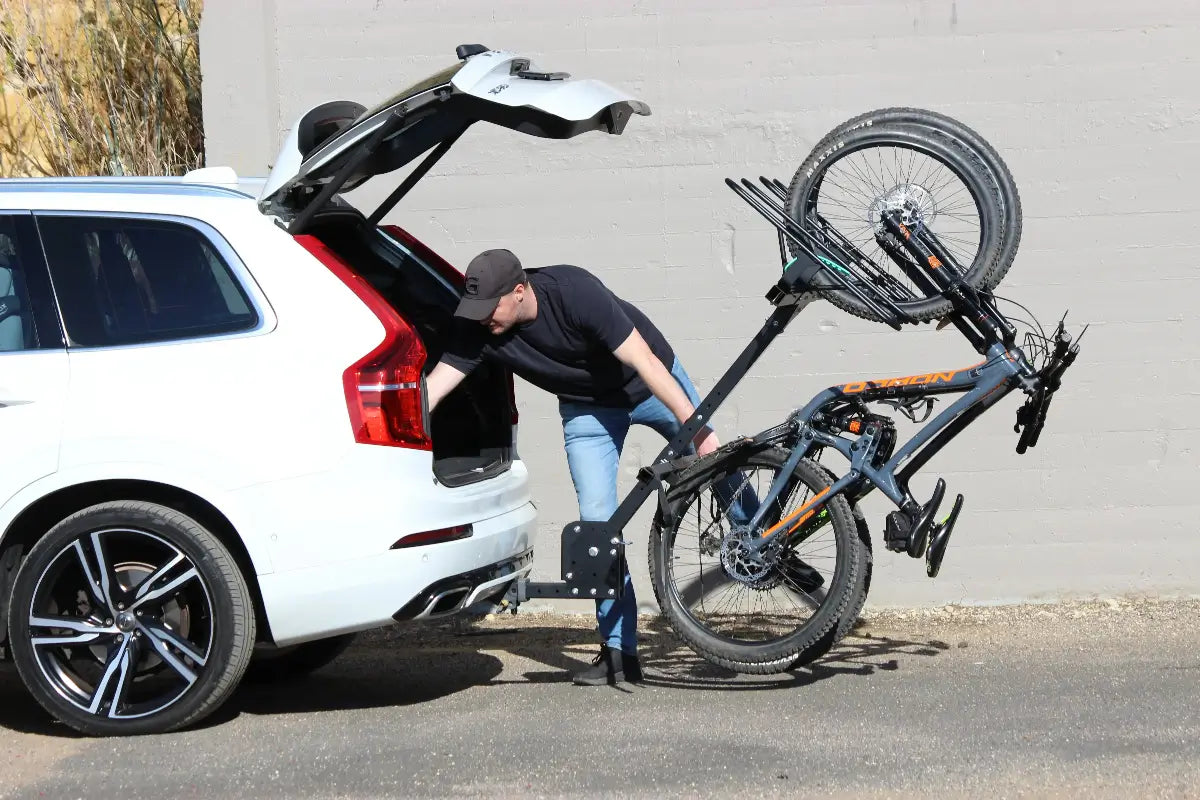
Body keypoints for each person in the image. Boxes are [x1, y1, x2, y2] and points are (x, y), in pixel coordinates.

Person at [425, 248, 728, 686]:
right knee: (597, 527)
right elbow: (435, 387)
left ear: (519, 290)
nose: (482, 318)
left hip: (647, 383)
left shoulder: (573, 292)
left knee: (716, 463)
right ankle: (620, 651)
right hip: (588, 411)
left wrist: (697, 430)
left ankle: (772, 539)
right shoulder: (480, 326)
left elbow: (643, 360)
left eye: (489, 307)